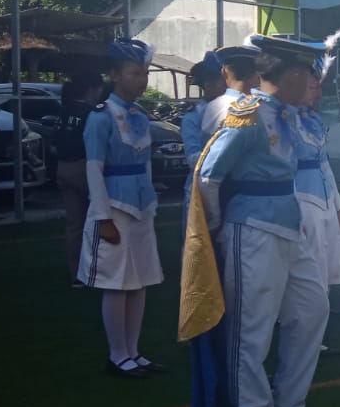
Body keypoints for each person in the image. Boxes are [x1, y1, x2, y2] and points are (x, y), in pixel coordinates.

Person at [191, 35, 332, 407]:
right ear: (291, 75)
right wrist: (215, 226)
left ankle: (288, 406)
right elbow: (209, 176)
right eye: (308, 73)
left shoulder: (289, 116)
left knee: (312, 310)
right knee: (251, 330)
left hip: (288, 226)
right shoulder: (246, 115)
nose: (311, 81)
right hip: (252, 228)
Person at [79, 40, 166, 379]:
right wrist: (102, 218)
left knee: (139, 280)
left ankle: (133, 351)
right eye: (134, 73)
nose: (142, 80)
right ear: (115, 76)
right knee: (116, 283)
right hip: (115, 207)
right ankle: (118, 355)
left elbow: (144, 165)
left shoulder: (139, 116)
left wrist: (151, 204)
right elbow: (93, 169)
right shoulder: (100, 118)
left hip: (141, 206)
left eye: (144, 73)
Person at [296, 70, 340, 358]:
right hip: (304, 203)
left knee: (325, 269)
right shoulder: (287, 122)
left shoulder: (314, 122)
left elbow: (325, 166)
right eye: (310, 87)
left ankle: (318, 335)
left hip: (325, 201)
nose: (316, 93)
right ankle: (305, 335)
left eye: (318, 87)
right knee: (310, 271)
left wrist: (339, 207)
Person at [55, 73, 104, 286]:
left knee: (75, 224)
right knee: (99, 219)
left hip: (62, 167)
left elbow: (54, 142)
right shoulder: (90, 113)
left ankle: (76, 274)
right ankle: (97, 269)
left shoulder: (63, 111)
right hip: (84, 167)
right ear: (92, 89)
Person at [180, 50, 229, 202]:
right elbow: (194, 159)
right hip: (201, 190)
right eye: (222, 80)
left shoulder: (235, 111)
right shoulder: (193, 117)